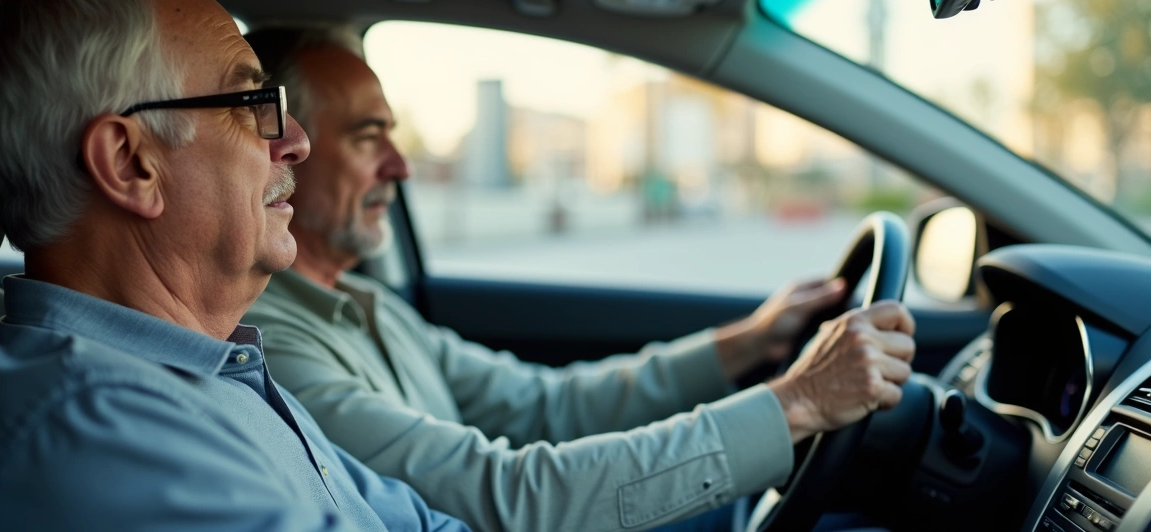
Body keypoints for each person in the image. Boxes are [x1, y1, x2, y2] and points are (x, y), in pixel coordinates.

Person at [242, 28, 918, 532]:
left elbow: (547, 405)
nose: (401, 165)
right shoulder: (276, 348)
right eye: (368, 137)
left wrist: (748, 341)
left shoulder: (368, 304)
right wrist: (798, 402)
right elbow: (500, 493)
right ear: (285, 153)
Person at [0, 0, 473, 531]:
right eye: (249, 102)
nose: (296, 140)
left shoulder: (209, 367)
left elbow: (421, 522)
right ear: (129, 164)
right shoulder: (101, 435)